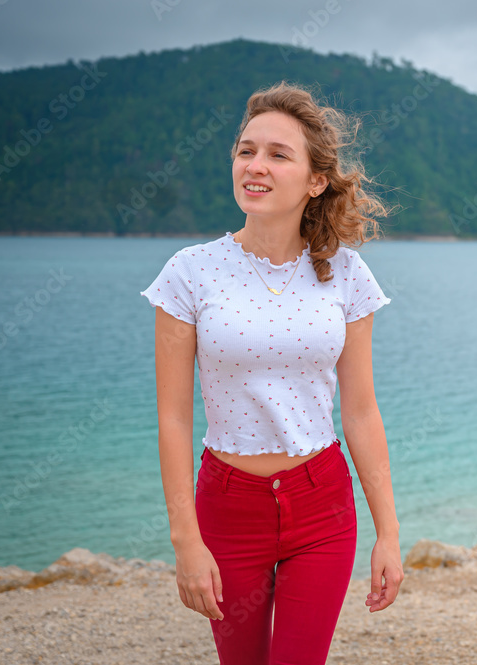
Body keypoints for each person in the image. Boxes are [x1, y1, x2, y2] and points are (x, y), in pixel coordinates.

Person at [139, 80, 403, 665]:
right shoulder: (190, 273)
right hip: (227, 509)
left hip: (323, 506)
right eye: (245, 150)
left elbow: (360, 410)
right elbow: (173, 417)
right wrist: (186, 541)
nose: (255, 166)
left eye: (278, 154)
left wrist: (388, 532)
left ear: (315, 181)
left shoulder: (346, 274)